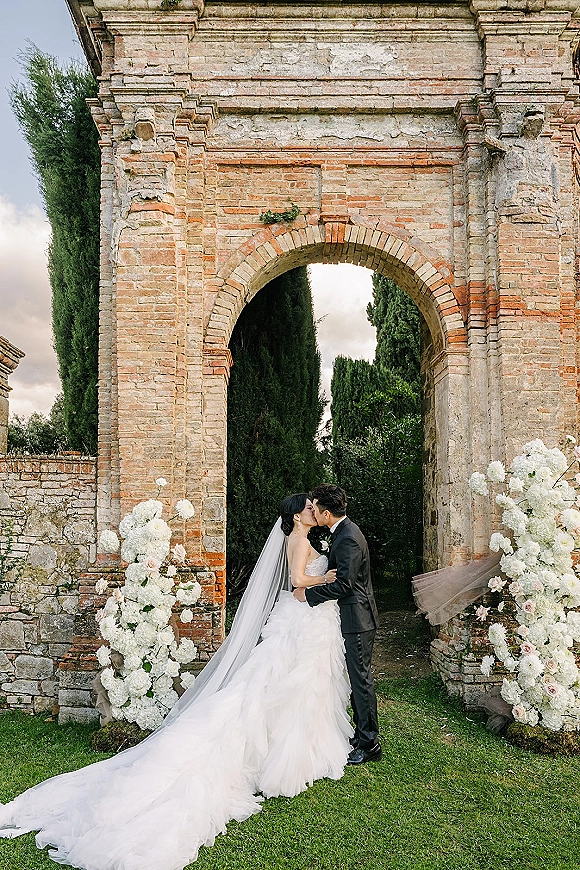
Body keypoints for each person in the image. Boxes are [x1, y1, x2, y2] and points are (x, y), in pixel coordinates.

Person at [0, 494, 354, 870]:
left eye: (316, 507)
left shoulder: (305, 538)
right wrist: (324, 576)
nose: (314, 510)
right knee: (278, 686)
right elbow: (299, 581)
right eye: (309, 507)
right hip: (300, 617)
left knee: (284, 686)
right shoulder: (298, 540)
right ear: (298, 515)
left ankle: (291, 742)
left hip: (304, 617)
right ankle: (283, 752)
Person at [294, 484, 381, 764]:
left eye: (316, 508)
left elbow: (344, 584)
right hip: (352, 616)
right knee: (357, 679)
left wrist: (308, 595)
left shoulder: (347, 538)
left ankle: (370, 744)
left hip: (358, 618)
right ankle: (360, 736)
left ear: (326, 513)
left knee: (361, 680)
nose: (314, 513)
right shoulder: (342, 532)